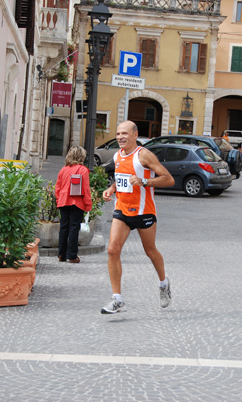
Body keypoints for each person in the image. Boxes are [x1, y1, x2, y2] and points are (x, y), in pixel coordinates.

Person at [100, 120, 175, 314]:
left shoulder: (144, 155)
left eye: (124, 133)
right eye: (118, 134)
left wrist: (144, 181)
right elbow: (121, 179)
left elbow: (168, 179)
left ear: (135, 135)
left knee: (150, 251)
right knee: (112, 250)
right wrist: (111, 188)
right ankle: (117, 299)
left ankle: (163, 284)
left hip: (144, 212)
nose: (120, 137)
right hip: (122, 210)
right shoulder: (117, 155)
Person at [55, 146, 92, 263]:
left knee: (63, 227)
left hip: (63, 201)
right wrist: (88, 205)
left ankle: (61, 254)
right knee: (74, 228)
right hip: (77, 202)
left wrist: (58, 200)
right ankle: (72, 255)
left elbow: (58, 188)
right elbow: (86, 189)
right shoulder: (83, 170)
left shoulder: (63, 170)